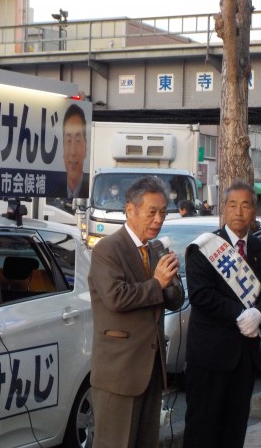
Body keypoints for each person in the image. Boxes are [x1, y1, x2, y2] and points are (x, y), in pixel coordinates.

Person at [88, 176, 184, 448]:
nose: (158, 219)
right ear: (130, 210)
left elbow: (175, 300)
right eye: (151, 212)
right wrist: (157, 283)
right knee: (115, 442)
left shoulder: (155, 248)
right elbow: (115, 298)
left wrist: (170, 279)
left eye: (163, 212)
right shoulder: (108, 249)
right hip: (119, 370)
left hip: (152, 369)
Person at [183, 180, 261, 448]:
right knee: (202, 430)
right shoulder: (205, 248)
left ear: (254, 210)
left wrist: (259, 314)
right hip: (209, 357)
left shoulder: (260, 249)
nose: (238, 211)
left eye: (245, 205)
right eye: (232, 205)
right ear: (224, 209)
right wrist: (240, 315)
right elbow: (201, 295)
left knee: (234, 431)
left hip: (245, 358)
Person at [62, 103, 88, 199]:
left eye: (77, 141)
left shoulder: (92, 188)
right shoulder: (53, 191)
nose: (73, 152)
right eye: (68, 141)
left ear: (86, 147)